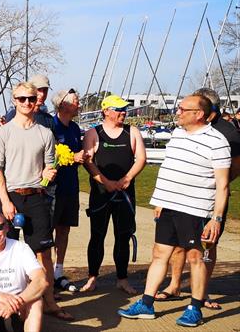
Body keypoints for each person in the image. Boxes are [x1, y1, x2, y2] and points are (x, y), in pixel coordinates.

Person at [118, 95, 230, 327]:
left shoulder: (217, 142)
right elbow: (172, 169)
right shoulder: (177, 134)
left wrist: (216, 219)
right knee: (160, 254)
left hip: (196, 209)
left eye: (182, 109)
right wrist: (160, 201)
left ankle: (195, 308)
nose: (177, 112)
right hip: (169, 206)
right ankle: (146, 303)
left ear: (198, 114)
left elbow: (223, 185)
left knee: (195, 257)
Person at [0, 81, 71, 321]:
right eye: (22, 98)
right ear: (14, 100)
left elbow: (48, 166)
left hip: (37, 198)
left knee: (43, 253)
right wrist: (5, 201)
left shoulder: (45, 133)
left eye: (31, 99)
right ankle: (4, 300)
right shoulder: (2, 132)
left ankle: (49, 302)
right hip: (9, 197)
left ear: (38, 102)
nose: (27, 103)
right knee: (3, 251)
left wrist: (48, 174)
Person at [154, 88, 240, 310]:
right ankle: (174, 285)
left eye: (185, 108)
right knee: (175, 247)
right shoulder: (181, 132)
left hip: (205, 202)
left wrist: (209, 187)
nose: (179, 112)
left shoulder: (226, 134)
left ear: (204, 111)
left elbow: (233, 170)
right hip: (176, 202)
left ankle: (201, 292)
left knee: (204, 250)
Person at [81, 94, 146, 294]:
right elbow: (88, 161)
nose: (123, 113)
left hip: (125, 193)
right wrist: (106, 182)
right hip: (101, 194)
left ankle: (122, 278)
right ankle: (92, 278)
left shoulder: (132, 132)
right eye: (118, 109)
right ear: (106, 111)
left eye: (124, 109)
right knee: (97, 236)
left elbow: (141, 158)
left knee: (123, 236)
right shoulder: (94, 133)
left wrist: (126, 180)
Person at [48, 89, 88, 292]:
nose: (79, 104)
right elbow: (48, 156)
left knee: (64, 229)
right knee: (48, 231)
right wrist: (73, 157)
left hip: (71, 187)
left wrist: (81, 157)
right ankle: (44, 274)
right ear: (62, 105)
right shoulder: (51, 126)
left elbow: (78, 154)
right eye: (75, 101)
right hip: (53, 188)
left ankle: (58, 272)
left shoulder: (74, 128)